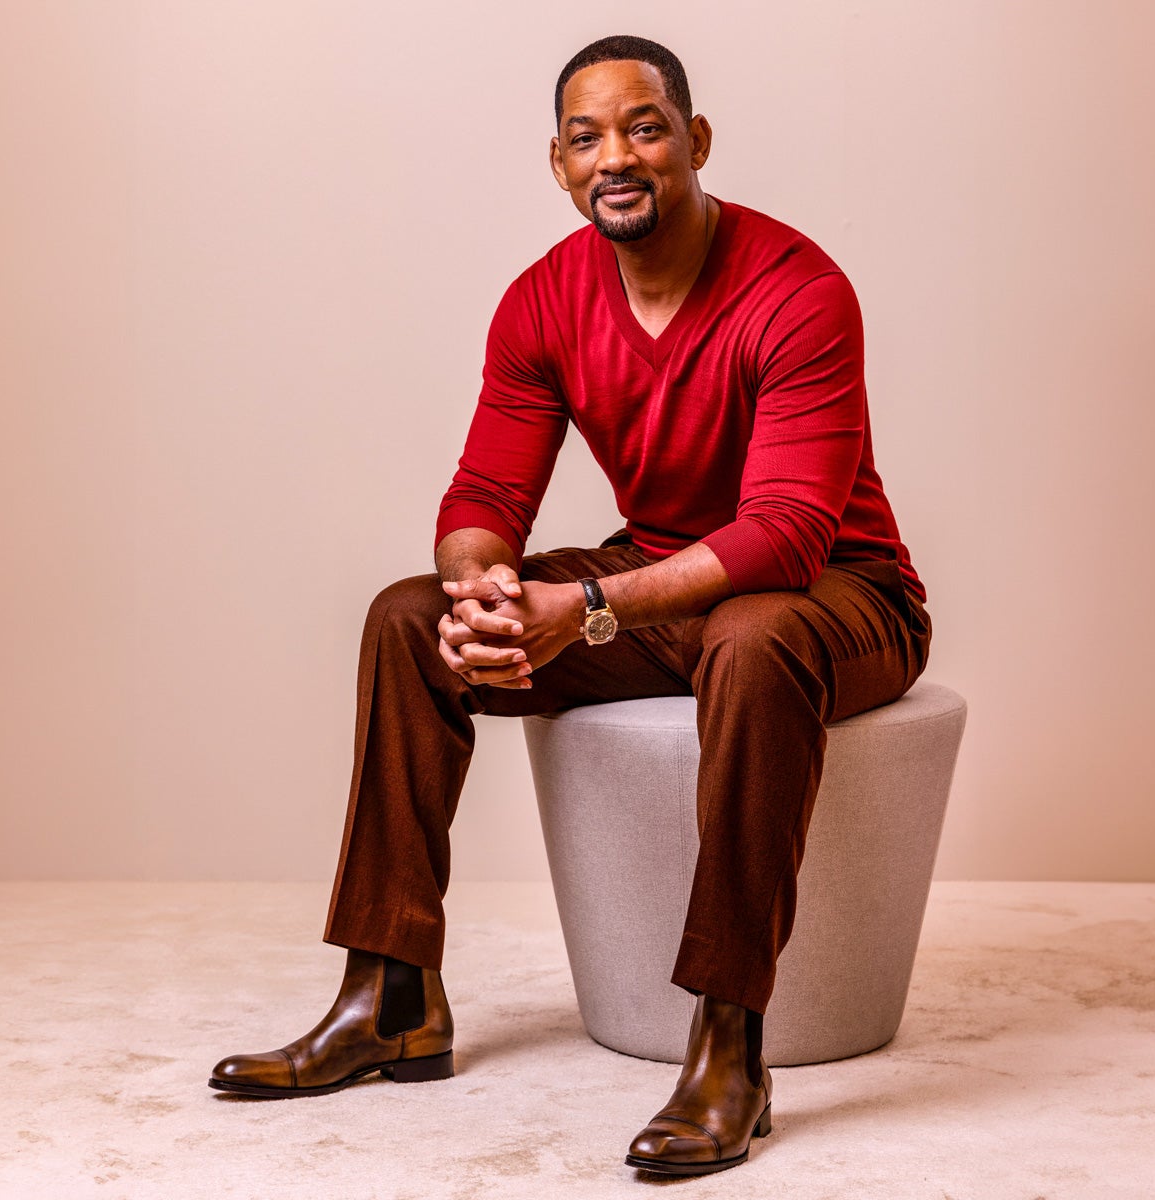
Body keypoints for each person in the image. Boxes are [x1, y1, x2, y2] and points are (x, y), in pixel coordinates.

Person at [209, 34, 932, 1177]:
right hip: (666, 579)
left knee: (752, 639)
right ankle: (391, 997)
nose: (617, 158)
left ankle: (730, 1047)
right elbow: (485, 496)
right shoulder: (544, 299)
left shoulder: (798, 288)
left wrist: (588, 605)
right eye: (587, 138)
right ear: (559, 164)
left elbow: (786, 533)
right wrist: (484, 590)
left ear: (695, 141)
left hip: (839, 594)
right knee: (407, 619)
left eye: (644, 128)